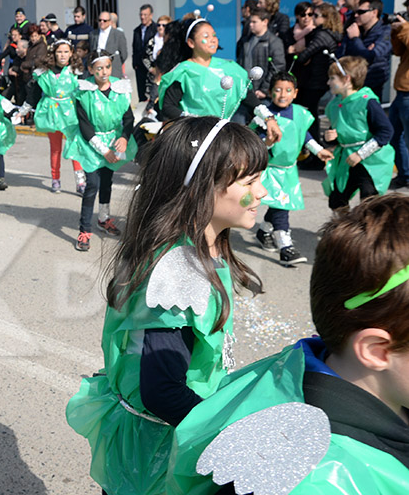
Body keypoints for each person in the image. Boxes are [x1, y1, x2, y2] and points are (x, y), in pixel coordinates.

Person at [66, 116, 268, 495]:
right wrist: (230, 437)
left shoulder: (202, 248)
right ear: (201, 186)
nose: (263, 192)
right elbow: (162, 390)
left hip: (176, 434)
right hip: (160, 453)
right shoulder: (177, 269)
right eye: (250, 181)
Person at [167, 193, 409, 495]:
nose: (261, 192)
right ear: (377, 350)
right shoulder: (308, 480)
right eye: (247, 179)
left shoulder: (296, 370)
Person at [156, 18, 282, 144]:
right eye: (206, 36)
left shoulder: (230, 68)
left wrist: (268, 118)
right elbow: (168, 107)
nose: (212, 39)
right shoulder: (183, 72)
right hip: (193, 138)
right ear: (191, 43)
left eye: (214, 35)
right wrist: (196, 121)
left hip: (221, 136)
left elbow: (247, 96)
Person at [252, 72, 334, 266]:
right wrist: (268, 142)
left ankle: (264, 231)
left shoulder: (299, 113)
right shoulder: (264, 115)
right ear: (270, 92)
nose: (283, 95)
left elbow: (304, 134)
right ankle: (285, 246)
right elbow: (257, 143)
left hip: (288, 169)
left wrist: (319, 150)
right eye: (278, 90)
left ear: (295, 93)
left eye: (288, 90)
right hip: (269, 170)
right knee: (282, 205)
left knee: (280, 203)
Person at [64, 51, 136, 252]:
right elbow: (85, 126)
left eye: (107, 67)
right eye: (99, 69)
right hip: (91, 144)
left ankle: (104, 218)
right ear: (90, 70)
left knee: (106, 182)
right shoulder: (83, 91)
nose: (104, 72)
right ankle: (84, 229)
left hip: (112, 140)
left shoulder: (120, 88)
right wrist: (103, 151)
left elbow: (128, 118)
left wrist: (124, 137)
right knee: (92, 185)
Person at [323, 56, 395, 211]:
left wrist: (361, 154)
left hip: (370, 160)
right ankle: (343, 230)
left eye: (332, 78)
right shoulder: (335, 104)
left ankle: (368, 232)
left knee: (369, 200)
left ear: (347, 79)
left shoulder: (367, 102)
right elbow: (337, 128)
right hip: (346, 159)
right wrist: (330, 137)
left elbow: (385, 131)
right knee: (337, 198)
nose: (328, 82)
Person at [16, 40, 87, 194]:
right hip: (52, 114)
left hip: (70, 115)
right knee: (55, 149)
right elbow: (33, 94)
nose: (63, 55)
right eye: (59, 52)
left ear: (71, 53)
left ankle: (80, 181)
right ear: (54, 53)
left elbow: (85, 95)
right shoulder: (44, 72)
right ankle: (55, 179)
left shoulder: (77, 72)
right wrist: (22, 111)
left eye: (66, 52)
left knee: (75, 146)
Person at [293, 2, 343, 144]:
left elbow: (302, 57)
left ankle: (315, 153)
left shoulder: (321, 35)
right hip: (320, 81)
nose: (312, 18)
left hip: (315, 82)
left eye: (316, 15)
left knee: (311, 119)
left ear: (326, 18)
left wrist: (301, 52)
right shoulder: (332, 34)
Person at [337, 0, 392, 98]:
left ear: (374, 13)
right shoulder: (355, 28)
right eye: (356, 12)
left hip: (372, 83)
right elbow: (341, 56)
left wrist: (355, 39)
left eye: (361, 12)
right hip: (351, 82)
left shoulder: (385, 31)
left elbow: (370, 57)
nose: (356, 15)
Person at [236, 9, 285, 105]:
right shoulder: (246, 41)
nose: (250, 24)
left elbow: (277, 67)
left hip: (262, 95)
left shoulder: (274, 42)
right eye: (250, 22)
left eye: (254, 22)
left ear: (265, 22)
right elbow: (240, 64)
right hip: (246, 91)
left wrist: (265, 89)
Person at [390, 0, 409, 189]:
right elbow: (397, 52)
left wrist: (405, 29)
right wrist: (395, 32)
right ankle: (405, 174)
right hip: (402, 92)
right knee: (394, 135)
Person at [132, 4, 158, 103]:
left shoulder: (155, 29)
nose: (142, 17)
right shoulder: (137, 30)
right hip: (140, 67)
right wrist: (135, 64)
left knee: (153, 92)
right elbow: (135, 48)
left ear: (151, 15)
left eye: (145, 15)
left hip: (152, 67)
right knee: (141, 93)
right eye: (141, 15)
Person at [89, 11, 127, 79]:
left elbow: (123, 55)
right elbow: (91, 51)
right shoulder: (93, 34)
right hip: (98, 72)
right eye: (100, 20)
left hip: (114, 71)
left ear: (110, 22)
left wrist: (115, 63)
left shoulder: (118, 34)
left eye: (104, 20)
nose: (102, 22)